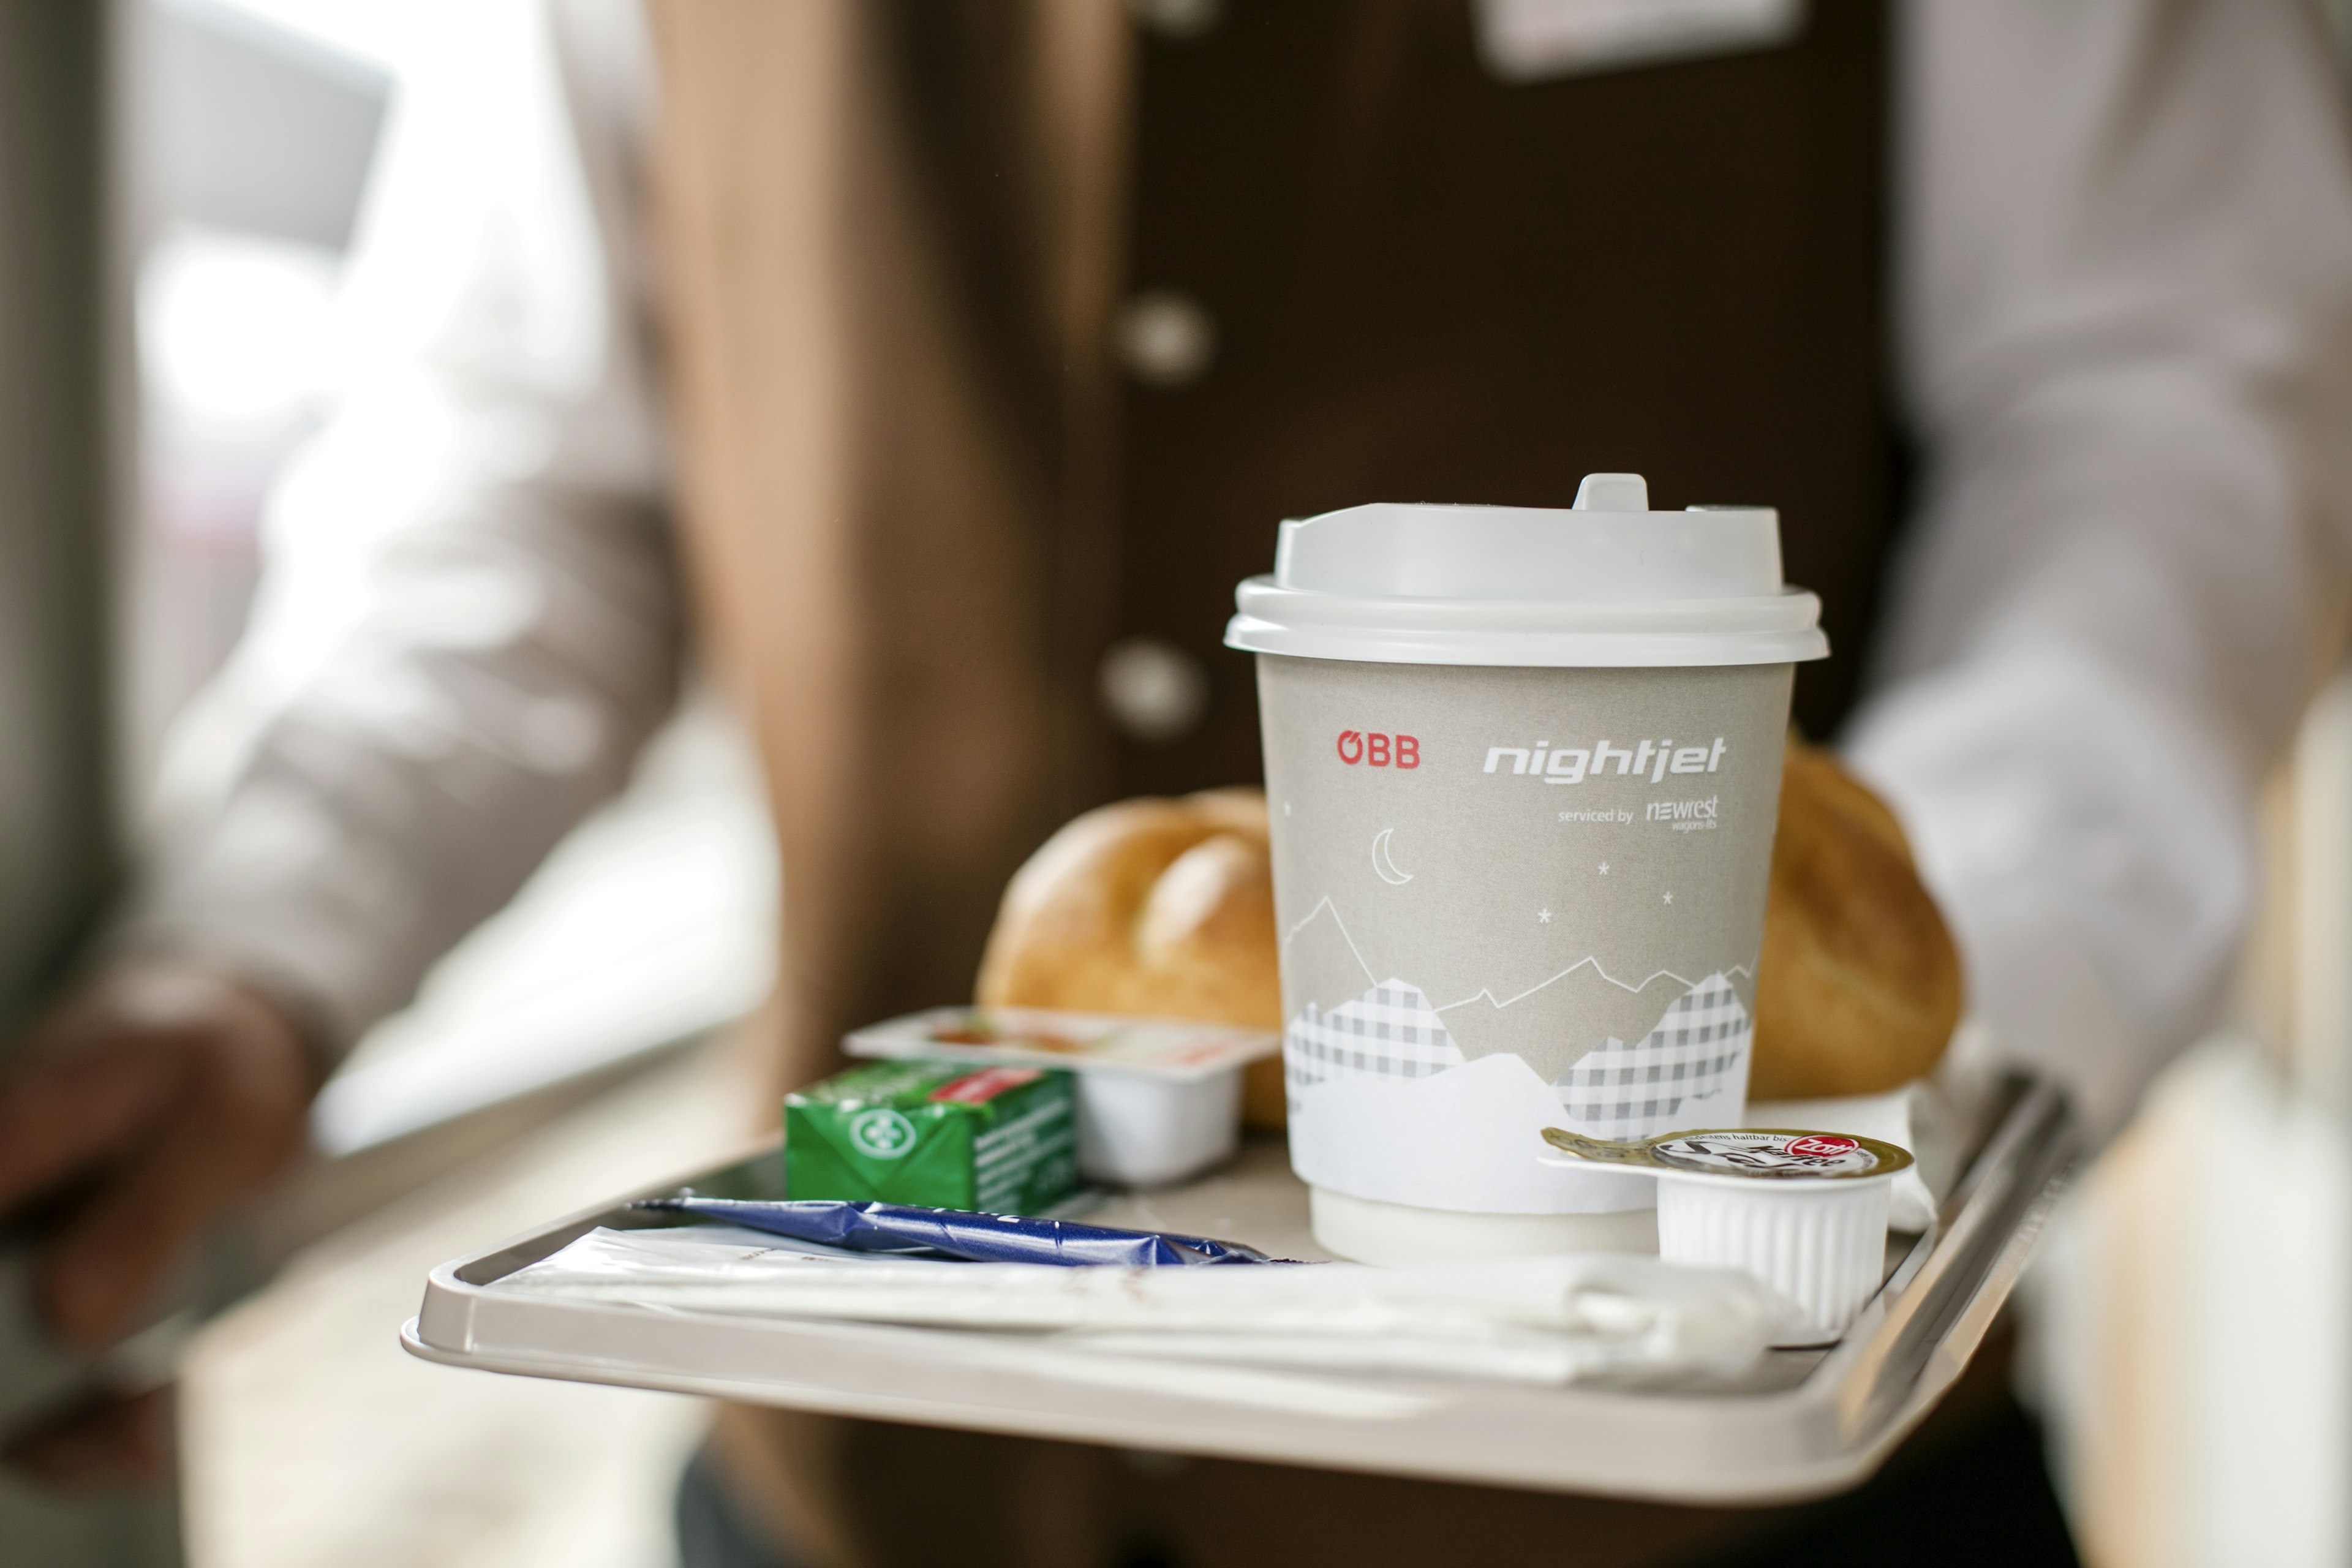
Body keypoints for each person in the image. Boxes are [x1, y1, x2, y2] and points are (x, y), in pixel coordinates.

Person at [3, 0, 2350, 1561]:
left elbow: (2164, 411)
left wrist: (1896, 1073)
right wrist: (258, 965)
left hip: (1742, 1525)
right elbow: (518, 493)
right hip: (872, 1501)